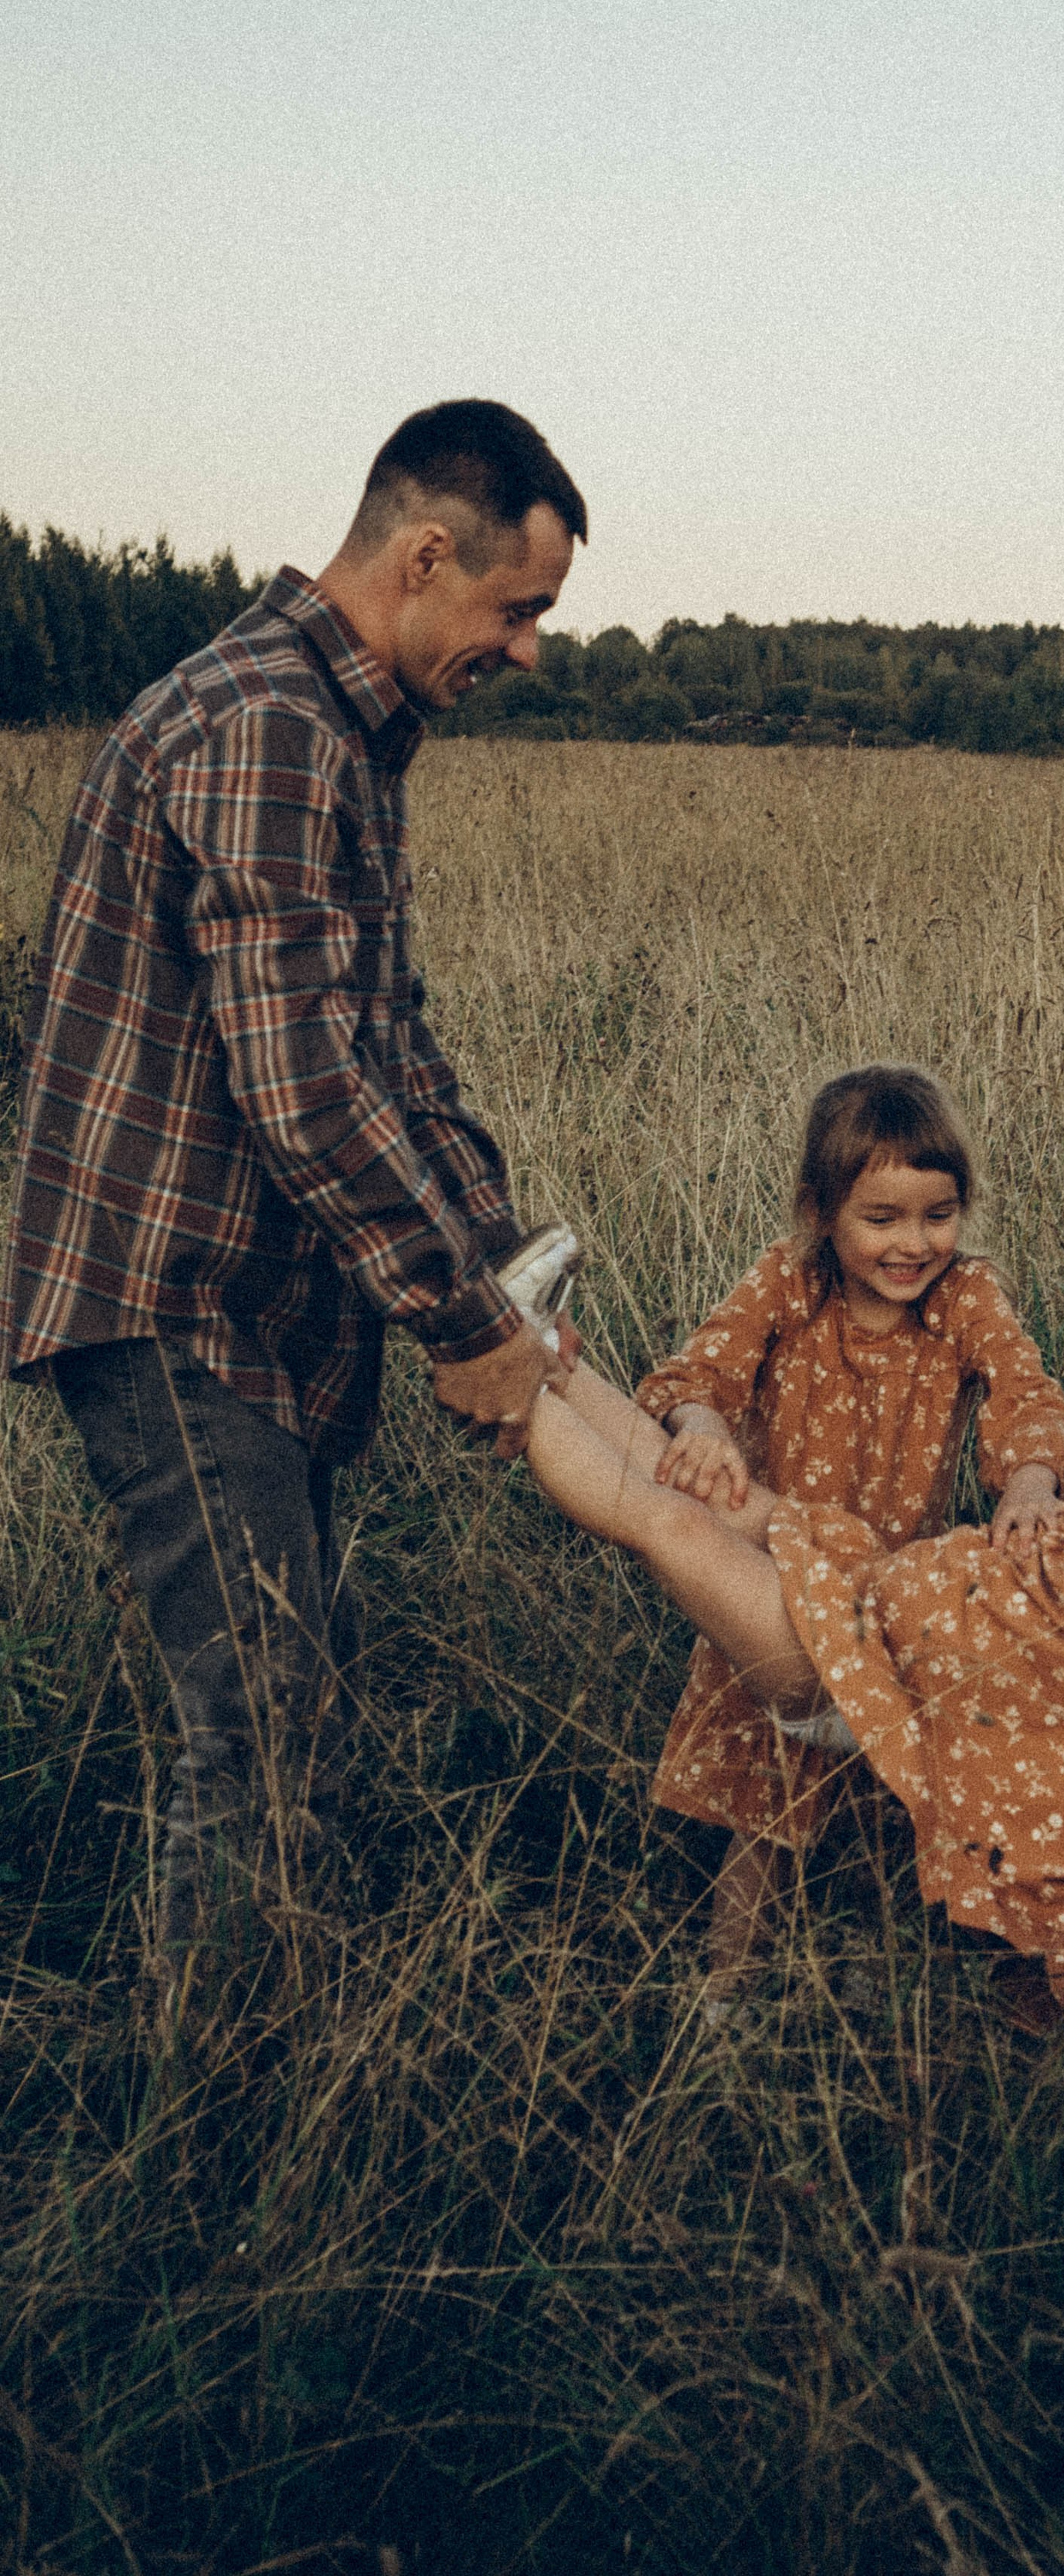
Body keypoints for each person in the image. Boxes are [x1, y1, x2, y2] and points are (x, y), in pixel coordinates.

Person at [0, 399, 587, 1979]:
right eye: (517, 606)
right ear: (421, 555)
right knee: (261, 1732)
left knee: (281, 1706)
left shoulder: (338, 731)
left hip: (238, 1308)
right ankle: (212, 2146)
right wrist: (465, 1321)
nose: (529, 648)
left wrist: (507, 1265)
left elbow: (383, 1048)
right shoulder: (268, 727)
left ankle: (256, 2074)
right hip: (172, 1304)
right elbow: (307, 1095)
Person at [522, 1195, 1064, 2029]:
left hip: (857, 1681)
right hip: (863, 1586)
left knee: (667, 1523)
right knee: (710, 1485)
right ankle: (546, 1352)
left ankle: (500, 1378)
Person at [632, 1064, 1064, 1999]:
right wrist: (706, 1432)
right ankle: (727, 1990)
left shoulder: (966, 1298)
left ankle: (875, 1980)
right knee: (763, 1794)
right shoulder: (792, 1288)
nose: (913, 1244)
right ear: (820, 1212)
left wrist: (1030, 1486)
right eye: (881, 1218)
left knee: (897, 1790)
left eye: (937, 1213)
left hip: (891, 1591)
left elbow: (1024, 1396)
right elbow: (698, 1373)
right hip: (771, 1577)